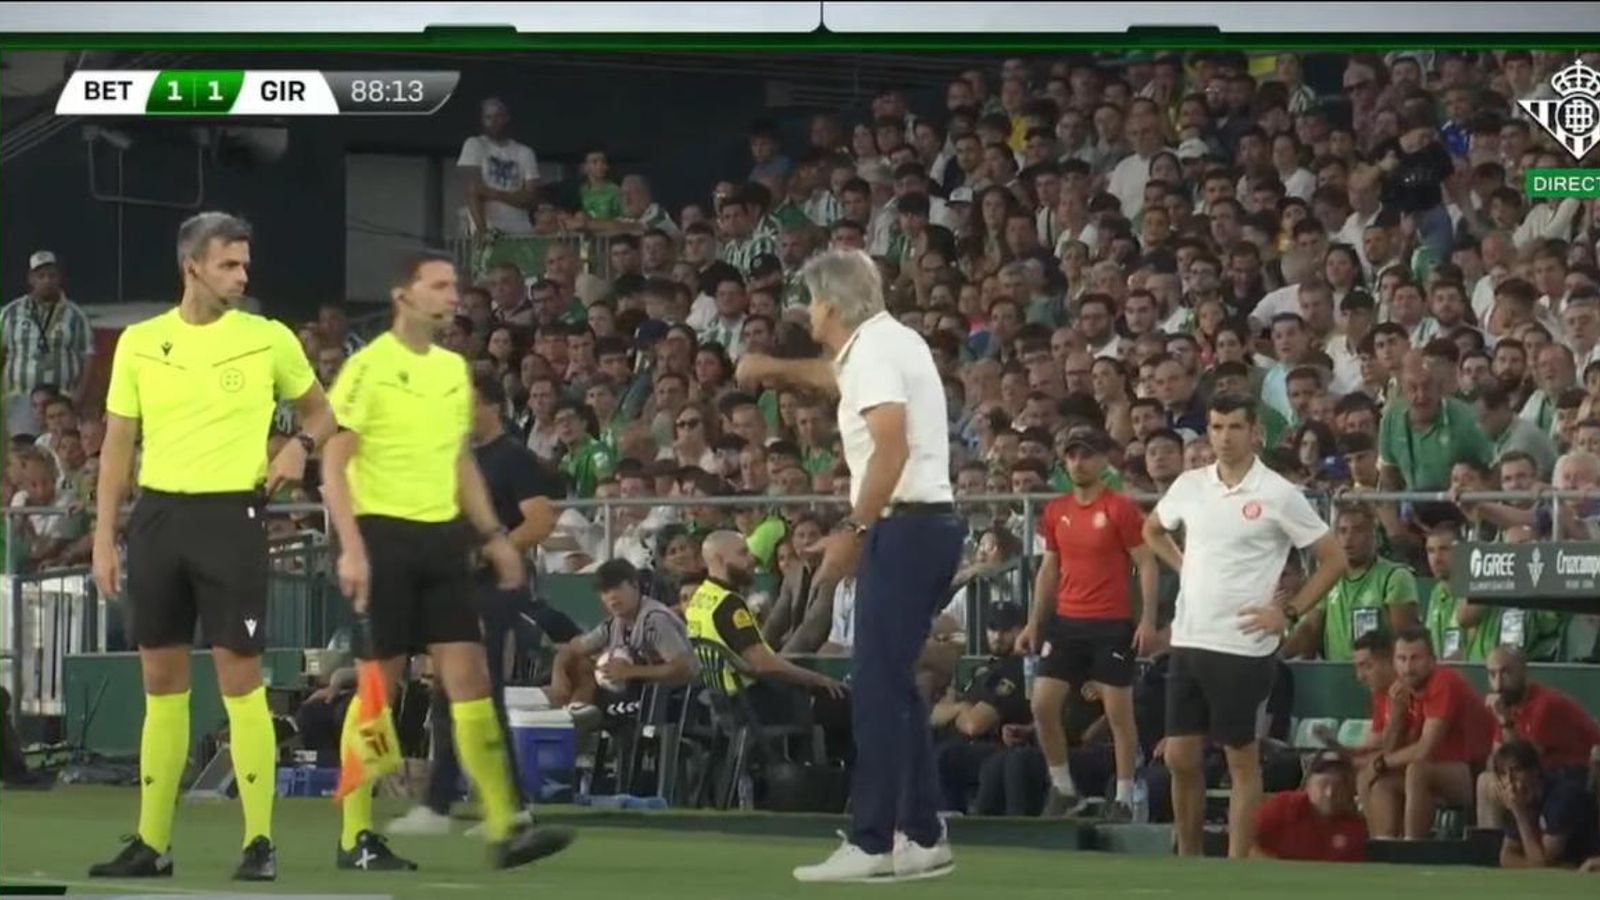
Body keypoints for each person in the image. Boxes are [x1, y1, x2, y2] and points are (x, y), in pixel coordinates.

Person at [88, 213, 337, 881]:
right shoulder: (141, 343)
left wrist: (299, 445)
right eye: (230, 264)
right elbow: (117, 445)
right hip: (158, 519)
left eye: (245, 264)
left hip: (232, 517)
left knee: (240, 678)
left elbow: (323, 410)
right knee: (160, 685)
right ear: (192, 266)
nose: (243, 275)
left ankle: (259, 842)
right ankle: (152, 842)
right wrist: (103, 538)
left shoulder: (267, 339)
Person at [321, 248, 573, 872]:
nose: (451, 295)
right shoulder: (368, 367)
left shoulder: (453, 372)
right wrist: (351, 547)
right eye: (438, 285)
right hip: (383, 536)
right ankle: (355, 832)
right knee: (381, 687)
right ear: (404, 294)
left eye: (453, 285)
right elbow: (333, 461)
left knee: (470, 681)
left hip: (442, 539)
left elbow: (460, 460)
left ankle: (504, 823)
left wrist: (491, 534)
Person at [737, 248, 966, 882]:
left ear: (830, 304)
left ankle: (872, 842)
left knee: (875, 686)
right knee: (892, 685)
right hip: (923, 525)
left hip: (904, 524)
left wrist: (852, 530)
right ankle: (921, 833)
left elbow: (889, 445)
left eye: (811, 300)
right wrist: (776, 369)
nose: (808, 311)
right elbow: (837, 379)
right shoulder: (888, 344)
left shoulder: (872, 352)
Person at [1142, 393, 1348, 858]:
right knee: (1180, 756)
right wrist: (1184, 565)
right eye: (1216, 427)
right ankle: (1189, 858)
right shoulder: (1191, 485)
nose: (1225, 437)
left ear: (1255, 432)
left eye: (1235, 427)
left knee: (1240, 756)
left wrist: (1288, 612)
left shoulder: (1277, 493)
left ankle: (1236, 866)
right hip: (1190, 636)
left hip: (1243, 644)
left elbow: (1332, 559)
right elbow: (1152, 529)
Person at [385, 372, 568, 836]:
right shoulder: (461, 458)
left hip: (492, 587)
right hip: (457, 586)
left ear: (489, 404)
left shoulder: (512, 458)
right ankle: (444, 803)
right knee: (448, 694)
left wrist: (490, 549)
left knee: (477, 694)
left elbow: (541, 520)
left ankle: (505, 805)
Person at [1020, 427, 1159, 821]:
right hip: (1068, 620)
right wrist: (1034, 623)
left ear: (1102, 461)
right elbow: (1049, 569)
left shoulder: (1119, 507)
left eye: (1087, 455)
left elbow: (1146, 562)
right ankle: (1064, 788)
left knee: (1118, 714)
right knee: (1043, 704)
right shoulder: (1056, 510)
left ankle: (1124, 795)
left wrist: (1147, 620)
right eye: (1072, 456)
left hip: (1111, 622)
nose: (1079, 462)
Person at [1363, 628, 1495, 840]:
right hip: (1439, 772)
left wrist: (1382, 763)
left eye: (1415, 659)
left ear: (1432, 661)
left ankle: (1412, 849)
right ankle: (1383, 849)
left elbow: (1425, 750)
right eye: (1402, 659)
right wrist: (1397, 715)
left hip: (1475, 773)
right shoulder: (1402, 692)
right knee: (1382, 783)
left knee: (1417, 771)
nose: (1408, 667)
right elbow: (1390, 750)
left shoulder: (1444, 681)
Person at [1476, 646, 1600, 828]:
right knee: (1487, 780)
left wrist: (1505, 722)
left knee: (1495, 781)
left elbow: (1523, 762)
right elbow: (1497, 761)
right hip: (1543, 774)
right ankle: (1491, 849)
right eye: (1492, 674)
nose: (1498, 683)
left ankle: (1500, 849)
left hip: (1573, 778)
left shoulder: (1545, 705)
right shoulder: (1507, 706)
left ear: (1524, 672)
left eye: (1505, 672)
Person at [2, 250, 94, 438]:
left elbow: (88, 356)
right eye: (41, 276)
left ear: (59, 278)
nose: (47, 281)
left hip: (61, 398)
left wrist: (79, 394)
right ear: (30, 279)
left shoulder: (75, 316)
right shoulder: (9, 313)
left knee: (60, 449)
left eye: (52, 275)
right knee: (22, 450)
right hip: (21, 398)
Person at [1492, 739, 1600, 869]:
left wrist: (1520, 814)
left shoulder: (1563, 797)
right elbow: (1506, 857)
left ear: (1534, 771)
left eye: (1516, 770)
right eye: (1504, 773)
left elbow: (1541, 864)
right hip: (1563, 872)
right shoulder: (1517, 799)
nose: (1510, 780)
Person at [1250, 753, 1368, 862]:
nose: (1330, 793)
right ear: (1308, 785)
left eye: (1339, 786)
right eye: (1323, 784)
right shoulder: (1283, 807)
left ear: (1352, 789)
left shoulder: (1359, 827)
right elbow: (1249, 843)